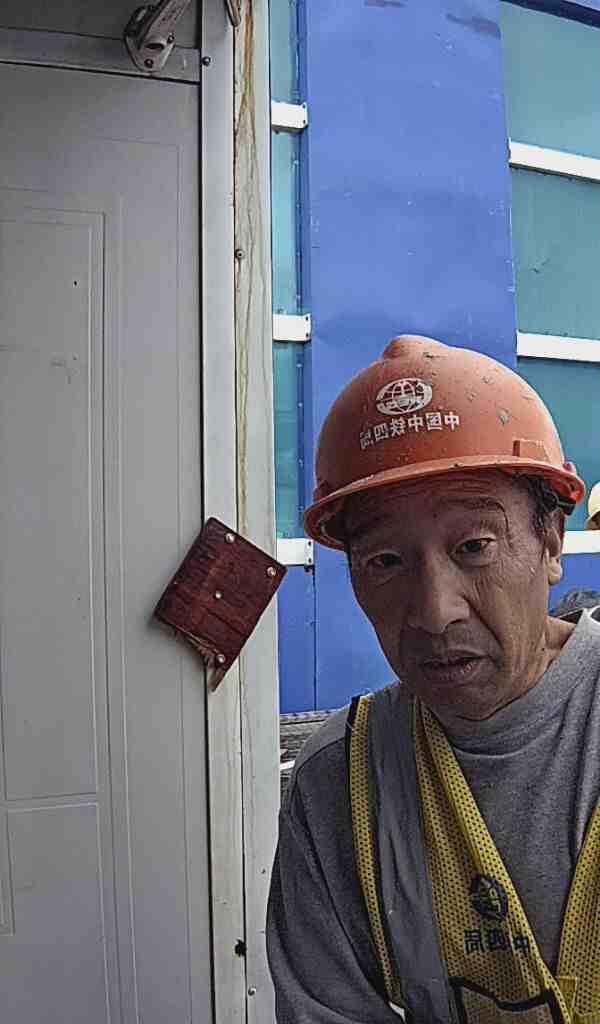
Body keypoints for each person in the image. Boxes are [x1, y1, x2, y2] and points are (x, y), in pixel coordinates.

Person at [266, 335, 600, 1024]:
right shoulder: (340, 784)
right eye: (385, 562)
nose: (433, 611)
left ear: (551, 541)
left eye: (474, 546)